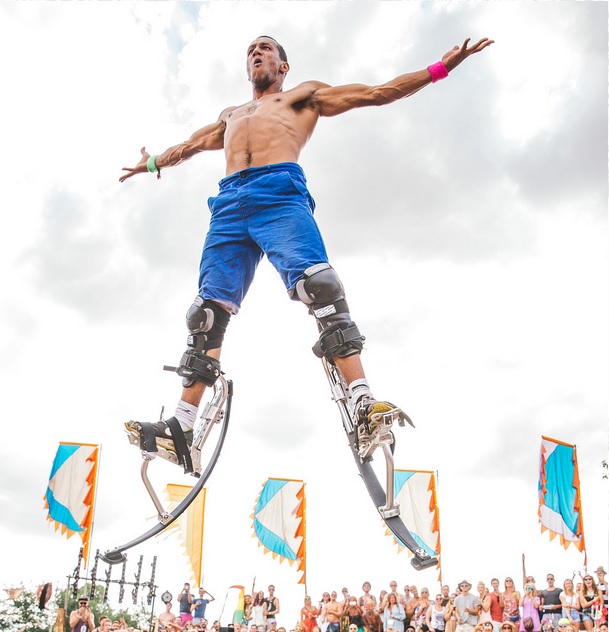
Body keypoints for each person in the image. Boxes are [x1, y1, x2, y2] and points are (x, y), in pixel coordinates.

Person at [120, 35, 493, 467]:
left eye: (265, 48)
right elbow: (186, 147)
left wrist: (439, 68)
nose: (255, 52)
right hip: (228, 204)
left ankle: (362, 402)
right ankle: (182, 426)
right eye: (250, 51)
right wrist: (151, 164)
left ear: (283, 66)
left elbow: (375, 93)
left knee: (319, 285)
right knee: (205, 315)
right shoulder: (230, 115)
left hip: (279, 191)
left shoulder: (303, 96)